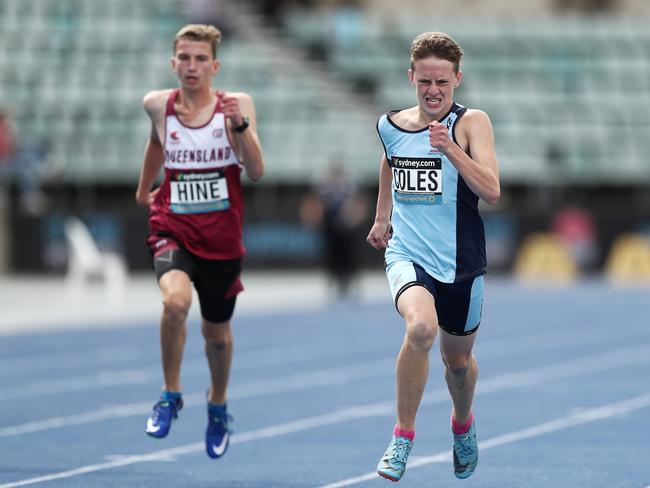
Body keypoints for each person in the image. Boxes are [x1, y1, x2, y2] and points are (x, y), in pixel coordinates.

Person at [366, 32, 500, 482]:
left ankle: (463, 424)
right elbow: (389, 159)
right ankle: (402, 437)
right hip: (408, 253)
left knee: (458, 364)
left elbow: (492, 190)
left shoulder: (471, 123)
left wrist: (451, 150)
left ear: (457, 79)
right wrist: (382, 216)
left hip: (462, 261)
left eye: (441, 82)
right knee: (420, 328)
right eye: (424, 81)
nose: (433, 91)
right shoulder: (390, 124)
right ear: (411, 77)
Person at [135, 24, 264, 460]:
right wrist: (143, 187)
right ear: (173, 64)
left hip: (222, 240)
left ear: (215, 65)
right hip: (172, 226)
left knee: (217, 337)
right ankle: (171, 394)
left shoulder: (236, 105)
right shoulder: (157, 105)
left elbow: (257, 170)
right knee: (174, 303)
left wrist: (239, 126)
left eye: (200, 59)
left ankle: (217, 404)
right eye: (184, 59)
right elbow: (157, 142)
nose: (191, 67)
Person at [300, 160, 368, 299]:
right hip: (330, 225)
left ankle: (350, 281)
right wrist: (312, 219)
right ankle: (333, 281)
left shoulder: (349, 187)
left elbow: (359, 203)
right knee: (331, 255)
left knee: (349, 255)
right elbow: (314, 202)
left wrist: (354, 219)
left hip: (348, 226)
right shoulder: (324, 187)